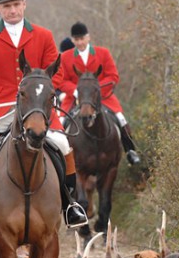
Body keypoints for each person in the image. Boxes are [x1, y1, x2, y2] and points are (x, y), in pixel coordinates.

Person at [0, 0, 87, 229]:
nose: (12, 10)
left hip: (37, 106)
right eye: (7, 7)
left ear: (24, 4)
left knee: (62, 143)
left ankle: (71, 204)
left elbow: (56, 72)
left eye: (16, 4)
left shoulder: (43, 35)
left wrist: (38, 87)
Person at [58, 21, 140, 165]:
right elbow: (61, 80)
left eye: (82, 39)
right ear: (72, 40)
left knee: (121, 119)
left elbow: (113, 76)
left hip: (102, 97)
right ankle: (60, 159)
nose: (80, 42)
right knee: (60, 124)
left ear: (88, 38)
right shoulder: (65, 57)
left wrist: (95, 91)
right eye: (76, 40)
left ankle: (130, 151)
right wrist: (76, 91)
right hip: (74, 98)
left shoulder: (103, 53)